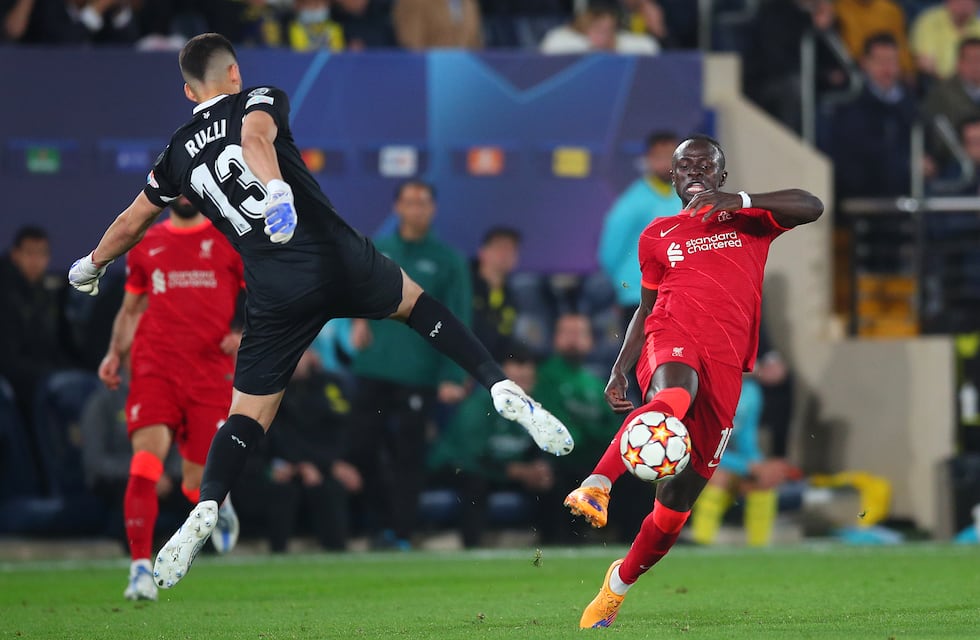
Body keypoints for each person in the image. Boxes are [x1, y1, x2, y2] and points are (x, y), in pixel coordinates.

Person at [66, 32, 572, 590]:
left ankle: (206, 507)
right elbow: (256, 136)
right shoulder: (256, 98)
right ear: (233, 74)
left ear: (189, 91)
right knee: (418, 305)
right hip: (332, 256)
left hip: (276, 289)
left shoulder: (178, 152)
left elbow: (133, 221)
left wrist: (90, 263)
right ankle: (502, 387)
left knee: (247, 415)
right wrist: (278, 191)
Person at [561, 135, 822, 628]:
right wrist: (621, 365)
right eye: (685, 167)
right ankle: (597, 483)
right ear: (674, 178)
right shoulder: (658, 234)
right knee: (673, 394)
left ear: (722, 176)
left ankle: (618, 585)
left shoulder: (750, 220)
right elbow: (646, 307)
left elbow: (812, 205)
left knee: (674, 510)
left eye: (706, 166)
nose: (695, 172)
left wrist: (741, 201)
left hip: (725, 365)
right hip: (672, 337)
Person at [96, 196, 245, 601]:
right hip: (155, 367)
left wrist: (242, 334)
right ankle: (140, 570)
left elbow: (264, 301)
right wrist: (114, 352)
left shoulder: (230, 240)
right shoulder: (146, 242)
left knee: (195, 483)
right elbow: (130, 310)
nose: (182, 194)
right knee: (145, 465)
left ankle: (220, 504)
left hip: (209, 371)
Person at [347, 179, 473, 548]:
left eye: (423, 202)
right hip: (372, 367)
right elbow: (355, 291)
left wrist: (454, 373)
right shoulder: (378, 249)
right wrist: (356, 321)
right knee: (361, 450)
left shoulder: (449, 259)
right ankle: (376, 525)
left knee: (408, 458)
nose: (415, 209)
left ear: (432, 209)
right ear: (397, 207)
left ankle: (400, 533)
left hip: (420, 374)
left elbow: (458, 317)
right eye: (409, 202)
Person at [427, 347, 565, 548]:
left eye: (528, 378)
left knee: (553, 481)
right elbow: (473, 455)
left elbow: (540, 448)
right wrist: (519, 472)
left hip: (503, 471)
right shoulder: (481, 403)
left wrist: (540, 468)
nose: (524, 381)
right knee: (474, 483)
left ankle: (556, 546)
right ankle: (472, 549)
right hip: (456, 465)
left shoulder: (534, 410)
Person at [263, 349, 362, 553]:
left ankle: (338, 551)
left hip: (324, 464)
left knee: (332, 488)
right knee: (283, 489)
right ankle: (276, 552)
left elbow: (340, 429)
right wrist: (302, 465)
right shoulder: (272, 390)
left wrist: (330, 464)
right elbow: (277, 437)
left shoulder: (328, 386)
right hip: (284, 463)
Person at [689, 378, 800, 547]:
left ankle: (759, 550)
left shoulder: (750, 391)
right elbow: (699, 444)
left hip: (721, 459)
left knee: (765, 480)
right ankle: (700, 544)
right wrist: (746, 466)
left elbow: (746, 439)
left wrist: (760, 466)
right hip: (686, 457)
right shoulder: (702, 386)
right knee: (719, 478)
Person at [471, 226, 521, 363]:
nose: (505, 254)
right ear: (482, 252)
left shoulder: (512, 298)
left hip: (490, 370)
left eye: (511, 249)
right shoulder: (463, 285)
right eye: (500, 248)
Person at [539, 0, 658, 54]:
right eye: (596, 16)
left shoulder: (635, 44)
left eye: (608, 15)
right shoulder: (559, 40)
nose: (604, 21)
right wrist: (591, 48)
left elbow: (649, 48)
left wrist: (612, 47)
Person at [910, 0, 980, 79]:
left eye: (969, 2)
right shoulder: (929, 21)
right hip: (936, 81)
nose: (964, 7)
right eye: (960, 2)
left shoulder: (978, 26)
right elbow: (925, 63)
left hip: (973, 82)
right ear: (948, 2)